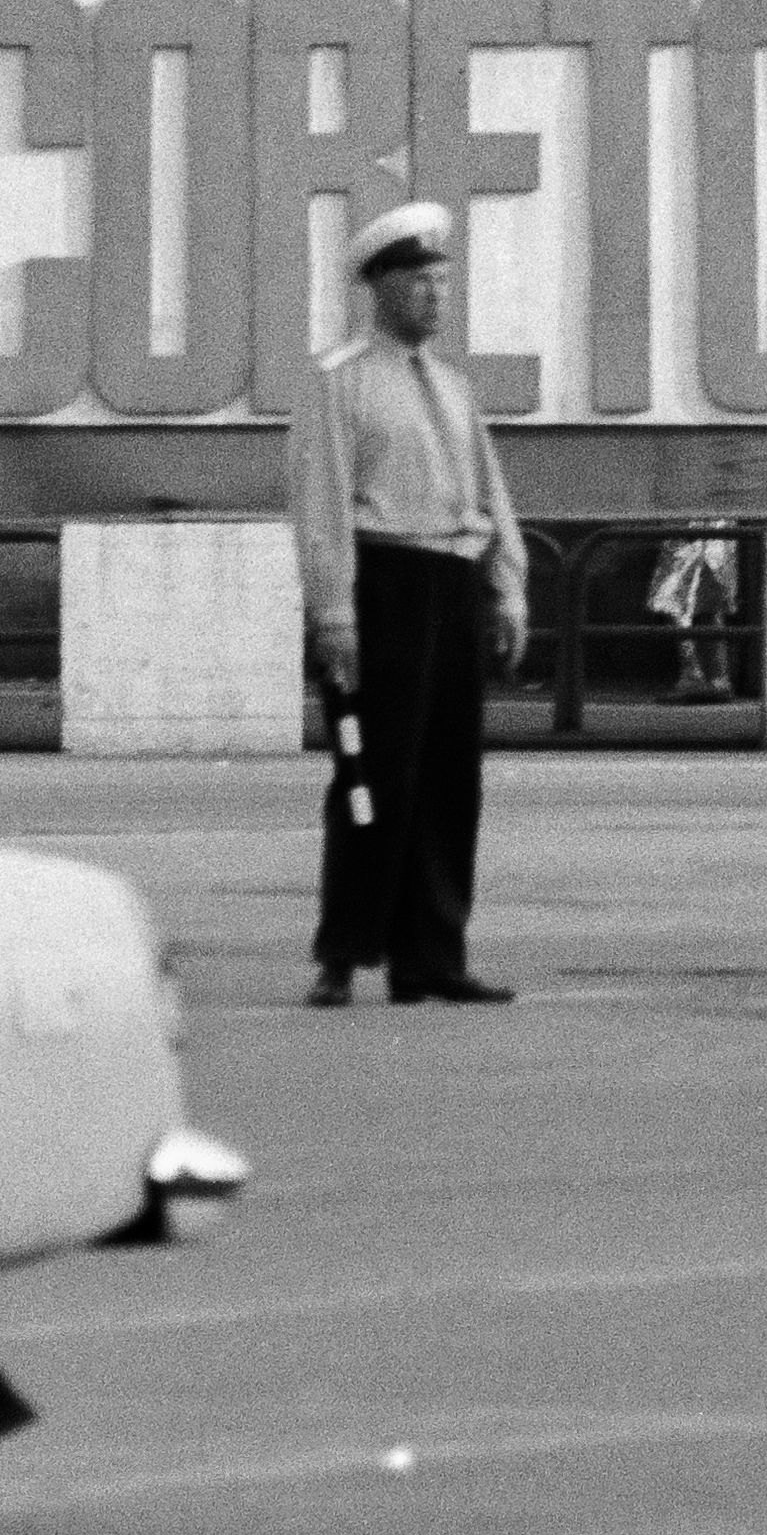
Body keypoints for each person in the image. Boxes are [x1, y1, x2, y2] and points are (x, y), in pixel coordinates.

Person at [284, 203, 529, 1008]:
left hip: (452, 585)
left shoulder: (454, 387)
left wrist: (506, 585)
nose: (435, 296)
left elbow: (486, 494)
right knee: (370, 775)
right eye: (420, 281)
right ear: (380, 287)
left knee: (449, 780)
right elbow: (321, 501)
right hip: (382, 587)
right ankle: (345, 952)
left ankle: (432, 956)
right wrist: (333, 613)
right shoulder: (338, 380)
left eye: (442, 281)